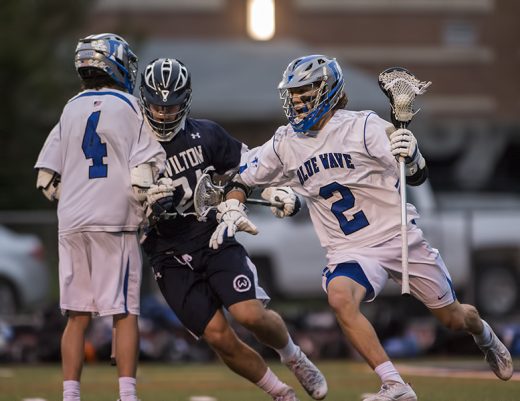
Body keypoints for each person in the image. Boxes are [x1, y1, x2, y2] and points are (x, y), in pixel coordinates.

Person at [210, 54, 514, 401]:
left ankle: (485, 335)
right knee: (340, 298)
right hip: (349, 248)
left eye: (305, 93)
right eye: (292, 94)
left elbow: (415, 174)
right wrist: (234, 203)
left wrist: (413, 155)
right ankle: (395, 385)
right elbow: (241, 177)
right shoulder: (285, 142)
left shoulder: (364, 127)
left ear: (327, 91)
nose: (296, 102)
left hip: (396, 235)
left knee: (455, 319)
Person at [139, 58, 327, 401]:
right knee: (218, 336)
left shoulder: (206, 134)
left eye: (171, 106)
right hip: (166, 253)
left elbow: (250, 168)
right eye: (157, 106)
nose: (164, 114)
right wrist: (146, 208)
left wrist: (273, 192)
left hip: (211, 237)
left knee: (250, 315)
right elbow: (115, 204)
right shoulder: (131, 146)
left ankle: (294, 356)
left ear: (186, 102)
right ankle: (281, 393)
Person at [34, 33, 166, 401]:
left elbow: (46, 178)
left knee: (76, 316)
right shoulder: (131, 106)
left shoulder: (70, 109)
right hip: (114, 219)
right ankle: (127, 394)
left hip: (71, 220)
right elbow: (145, 171)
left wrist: (79, 194)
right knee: (124, 312)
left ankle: (70, 394)